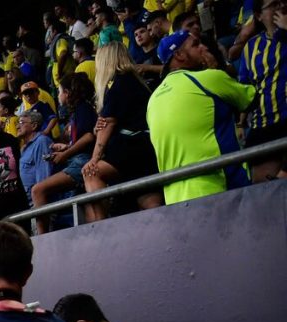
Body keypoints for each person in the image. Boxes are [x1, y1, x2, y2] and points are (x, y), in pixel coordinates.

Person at [148, 32, 257, 204]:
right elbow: (251, 99)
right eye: (196, 44)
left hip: (174, 200)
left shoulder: (152, 100)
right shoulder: (208, 78)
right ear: (179, 55)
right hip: (220, 191)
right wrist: (218, 68)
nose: (204, 48)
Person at [84, 41, 164, 222]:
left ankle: (102, 229)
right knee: (151, 204)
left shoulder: (118, 81)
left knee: (91, 172)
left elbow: (109, 123)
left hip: (132, 148)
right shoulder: (136, 81)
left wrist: (95, 158)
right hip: (148, 148)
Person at [31, 73, 99, 232]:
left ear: (68, 93)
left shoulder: (83, 108)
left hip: (82, 161)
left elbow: (89, 137)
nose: (58, 95)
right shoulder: (79, 110)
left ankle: (42, 239)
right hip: (79, 159)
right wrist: (66, 147)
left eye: (60, 91)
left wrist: (65, 155)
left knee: (38, 190)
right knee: (87, 206)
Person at [238, 0, 287, 182]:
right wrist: (241, 123)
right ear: (259, 16)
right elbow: (245, 88)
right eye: (273, 4)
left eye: (281, 2)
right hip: (264, 124)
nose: (280, 7)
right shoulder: (251, 47)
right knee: (262, 190)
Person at [18, 109, 56, 208]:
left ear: (34, 126)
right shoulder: (24, 148)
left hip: (36, 204)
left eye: (21, 122)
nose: (18, 126)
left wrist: (39, 208)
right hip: (26, 203)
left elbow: (44, 178)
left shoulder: (41, 142)